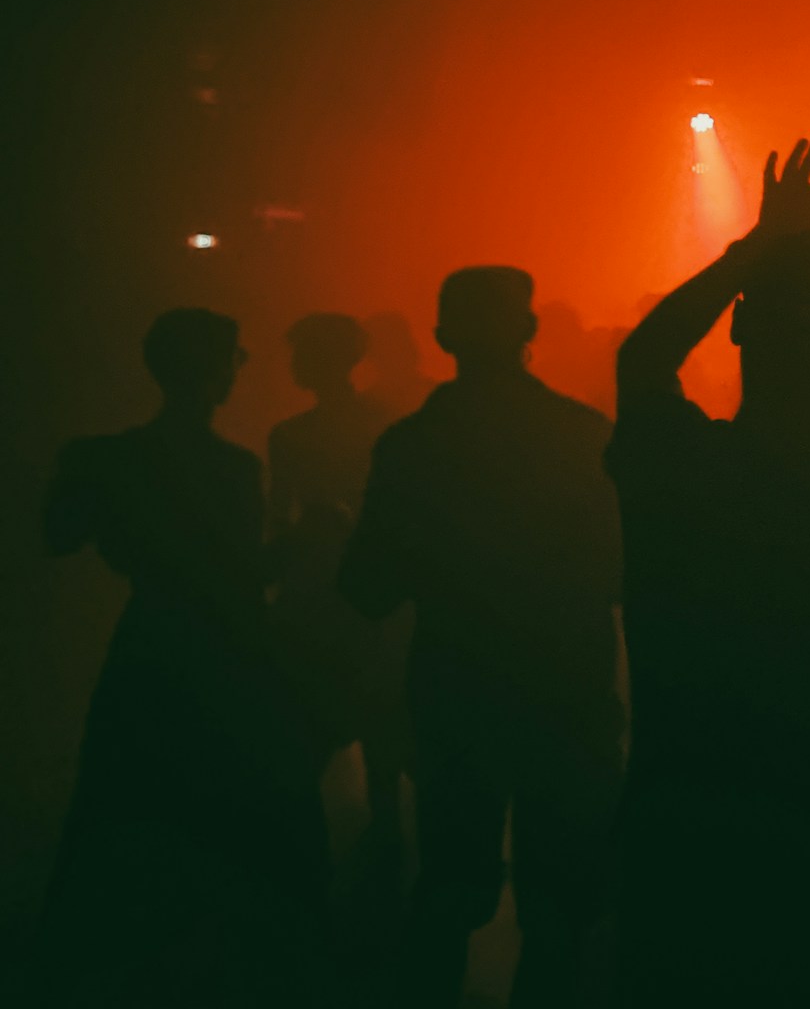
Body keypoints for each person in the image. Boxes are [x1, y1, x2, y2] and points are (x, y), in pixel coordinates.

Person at [607, 132, 810, 1004]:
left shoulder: (680, 465)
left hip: (687, 827)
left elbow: (642, 360)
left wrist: (757, 247)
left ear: (742, 326)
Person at [340, 268, 624, 1008]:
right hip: (566, 699)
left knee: (448, 892)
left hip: (458, 698)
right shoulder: (583, 435)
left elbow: (367, 590)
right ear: (528, 333)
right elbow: (623, 573)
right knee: (558, 910)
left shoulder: (411, 446)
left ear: (442, 338)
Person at [41, 309, 328, 1005]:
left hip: (147, 642)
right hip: (224, 652)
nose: (243, 366)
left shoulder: (105, 458)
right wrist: (309, 537)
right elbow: (242, 573)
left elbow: (57, 536)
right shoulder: (231, 468)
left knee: (129, 790)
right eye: (235, 355)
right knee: (227, 801)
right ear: (211, 370)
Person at [266, 313, 408, 901]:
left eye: (301, 354)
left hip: (314, 593)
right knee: (379, 730)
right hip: (372, 592)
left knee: (306, 729)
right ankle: (387, 845)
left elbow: (280, 522)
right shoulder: (384, 426)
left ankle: (308, 866)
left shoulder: (291, 435)